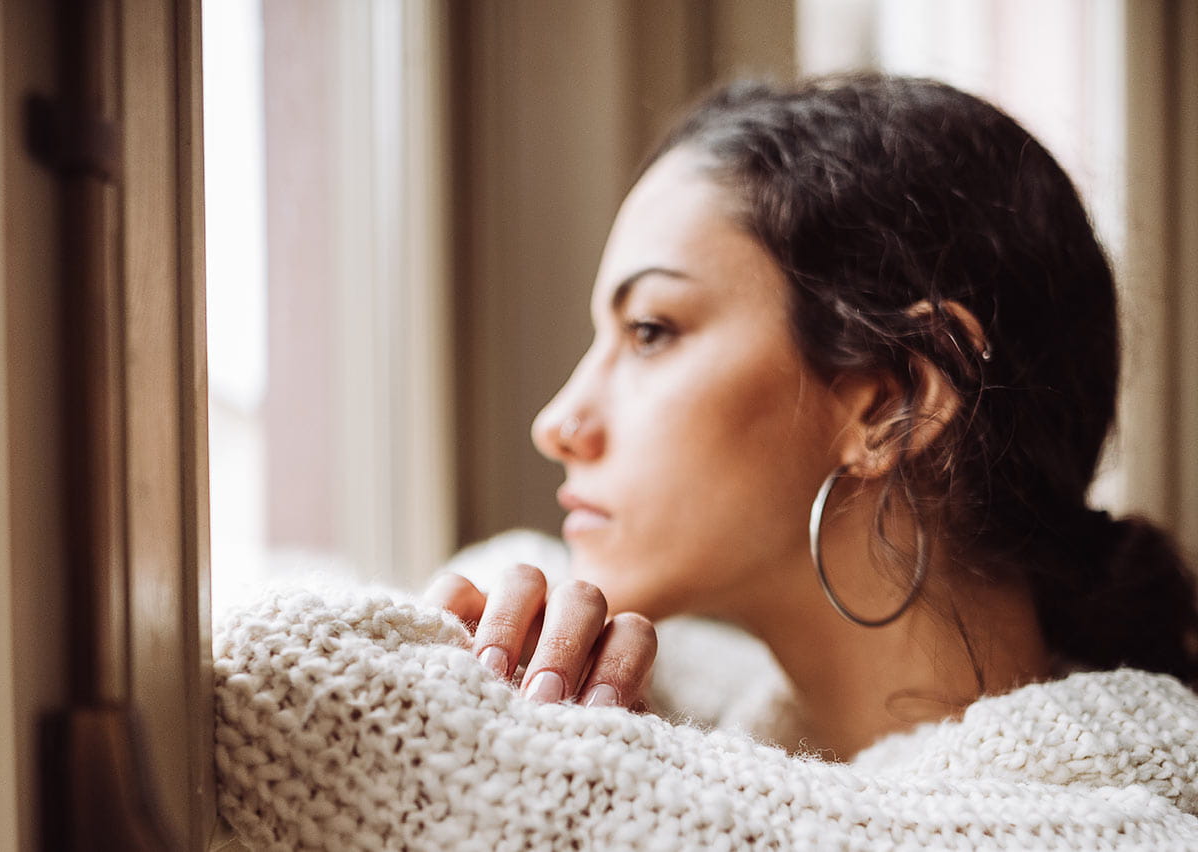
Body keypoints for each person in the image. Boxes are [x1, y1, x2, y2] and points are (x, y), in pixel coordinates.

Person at [212, 73, 1198, 849]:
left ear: (886, 402)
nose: (557, 421)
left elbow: (271, 685)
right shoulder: (716, 734)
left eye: (650, 331)